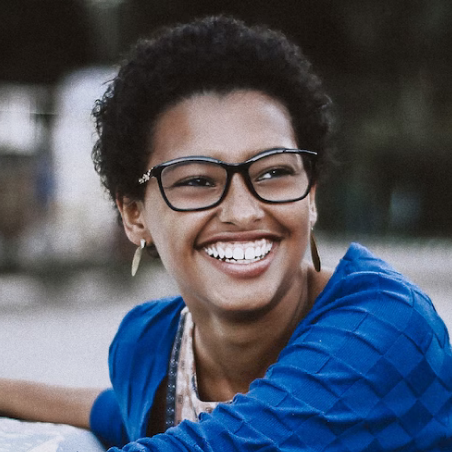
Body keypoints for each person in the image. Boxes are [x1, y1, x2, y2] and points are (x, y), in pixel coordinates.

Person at [1, 15, 452, 452]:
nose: (242, 210)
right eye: (196, 180)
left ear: (310, 195)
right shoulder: (148, 345)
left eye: (274, 171)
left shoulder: (386, 329)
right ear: (134, 214)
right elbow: (118, 413)